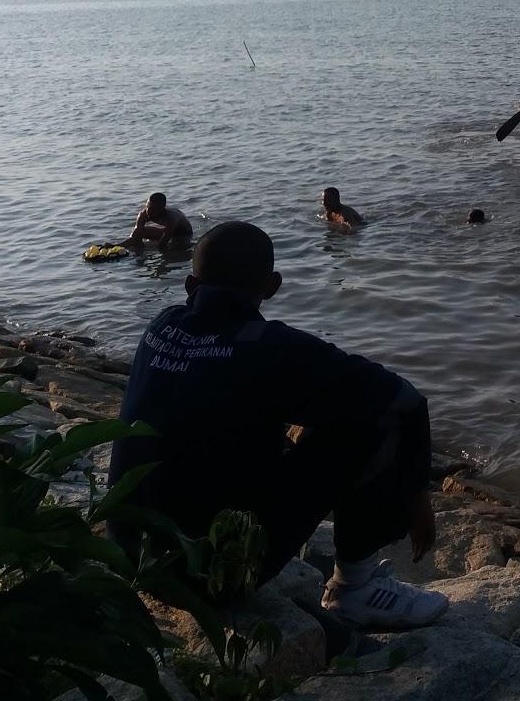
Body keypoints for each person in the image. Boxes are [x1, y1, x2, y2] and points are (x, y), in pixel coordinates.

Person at [109, 221, 448, 628]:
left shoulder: (161, 327)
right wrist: (416, 493)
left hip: (134, 560)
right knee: (372, 419)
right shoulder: (269, 347)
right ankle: (355, 588)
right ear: (272, 286)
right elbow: (405, 401)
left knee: (309, 410)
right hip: (214, 576)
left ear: (188, 285)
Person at [128, 192, 193, 249]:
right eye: (148, 208)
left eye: (154, 209)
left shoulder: (172, 218)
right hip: (166, 231)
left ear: (162, 209)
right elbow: (135, 235)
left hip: (183, 234)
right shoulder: (143, 214)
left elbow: (162, 244)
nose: (149, 212)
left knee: (171, 251)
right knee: (137, 234)